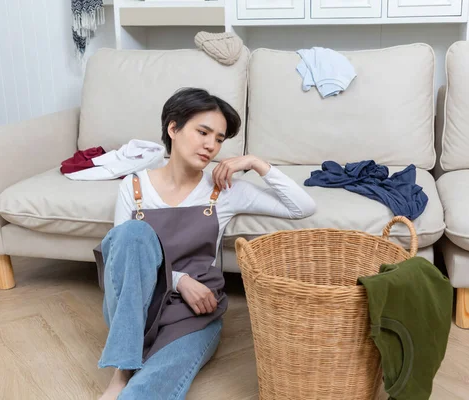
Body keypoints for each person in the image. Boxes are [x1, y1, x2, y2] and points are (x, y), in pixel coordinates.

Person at [97, 87, 317, 400]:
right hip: (137, 309)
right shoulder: (134, 187)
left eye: (219, 139)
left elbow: (302, 207)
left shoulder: (224, 190)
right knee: (131, 234)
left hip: (193, 314)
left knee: (152, 385)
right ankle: (121, 369)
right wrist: (179, 280)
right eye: (203, 132)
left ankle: (133, 380)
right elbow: (119, 263)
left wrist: (256, 163)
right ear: (173, 128)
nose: (211, 146)